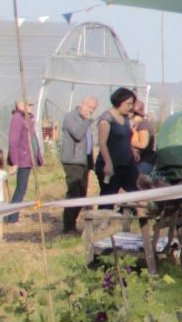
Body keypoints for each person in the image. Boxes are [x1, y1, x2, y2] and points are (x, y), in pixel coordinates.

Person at [58, 95, 100, 235]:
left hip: (84, 161)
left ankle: (73, 223)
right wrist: (87, 120)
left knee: (82, 194)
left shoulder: (85, 121)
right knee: (74, 193)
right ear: (81, 104)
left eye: (93, 109)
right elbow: (77, 134)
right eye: (89, 107)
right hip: (73, 160)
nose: (91, 111)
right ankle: (68, 226)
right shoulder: (71, 117)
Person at [100, 90, 145, 196]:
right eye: (128, 104)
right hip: (112, 164)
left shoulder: (125, 118)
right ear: (119, 101)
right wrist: (108, 163)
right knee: (109, 196)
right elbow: (102, 143)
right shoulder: (106, 119)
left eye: (132, 104)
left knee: (134, 191)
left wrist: (132, 150)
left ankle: (127, 211)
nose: (131, 107)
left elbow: (126, 137)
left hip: (127, 163)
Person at [4, 98, 39, 225]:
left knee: (22, 189)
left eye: (32, 104)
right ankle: (12, 218)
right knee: (20, 189)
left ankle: (12, 216)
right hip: (22, 158)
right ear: (20, 105)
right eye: (29, 104)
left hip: (27, 158)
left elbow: (32, 138)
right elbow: (13, 142)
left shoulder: (27, 118)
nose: (31, 107)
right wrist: (14, 162)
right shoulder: (18, 118)